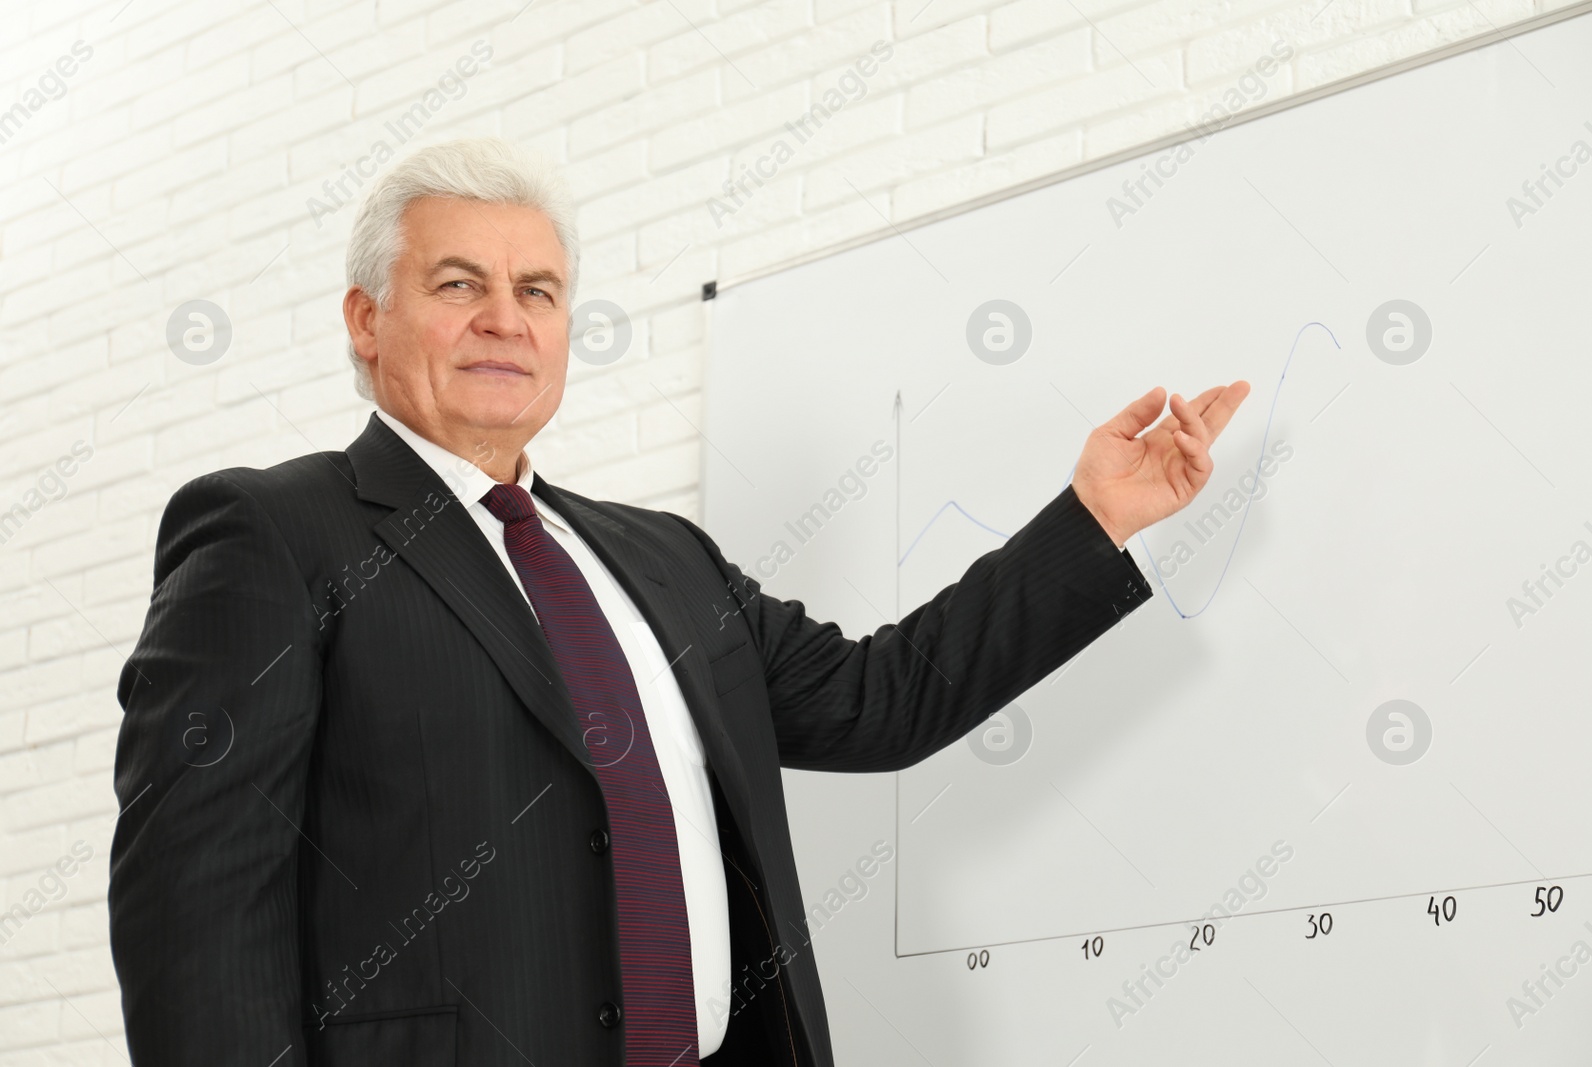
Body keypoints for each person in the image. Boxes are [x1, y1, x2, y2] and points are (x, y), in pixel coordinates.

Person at [108, 136, 1249, 1067]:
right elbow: (197, 911)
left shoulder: (662, 559)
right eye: (459, 285)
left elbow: (885, 700)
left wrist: (1094, 516)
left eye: (537, 290)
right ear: (366, 320)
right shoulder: (272, 534)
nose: (506, 317)